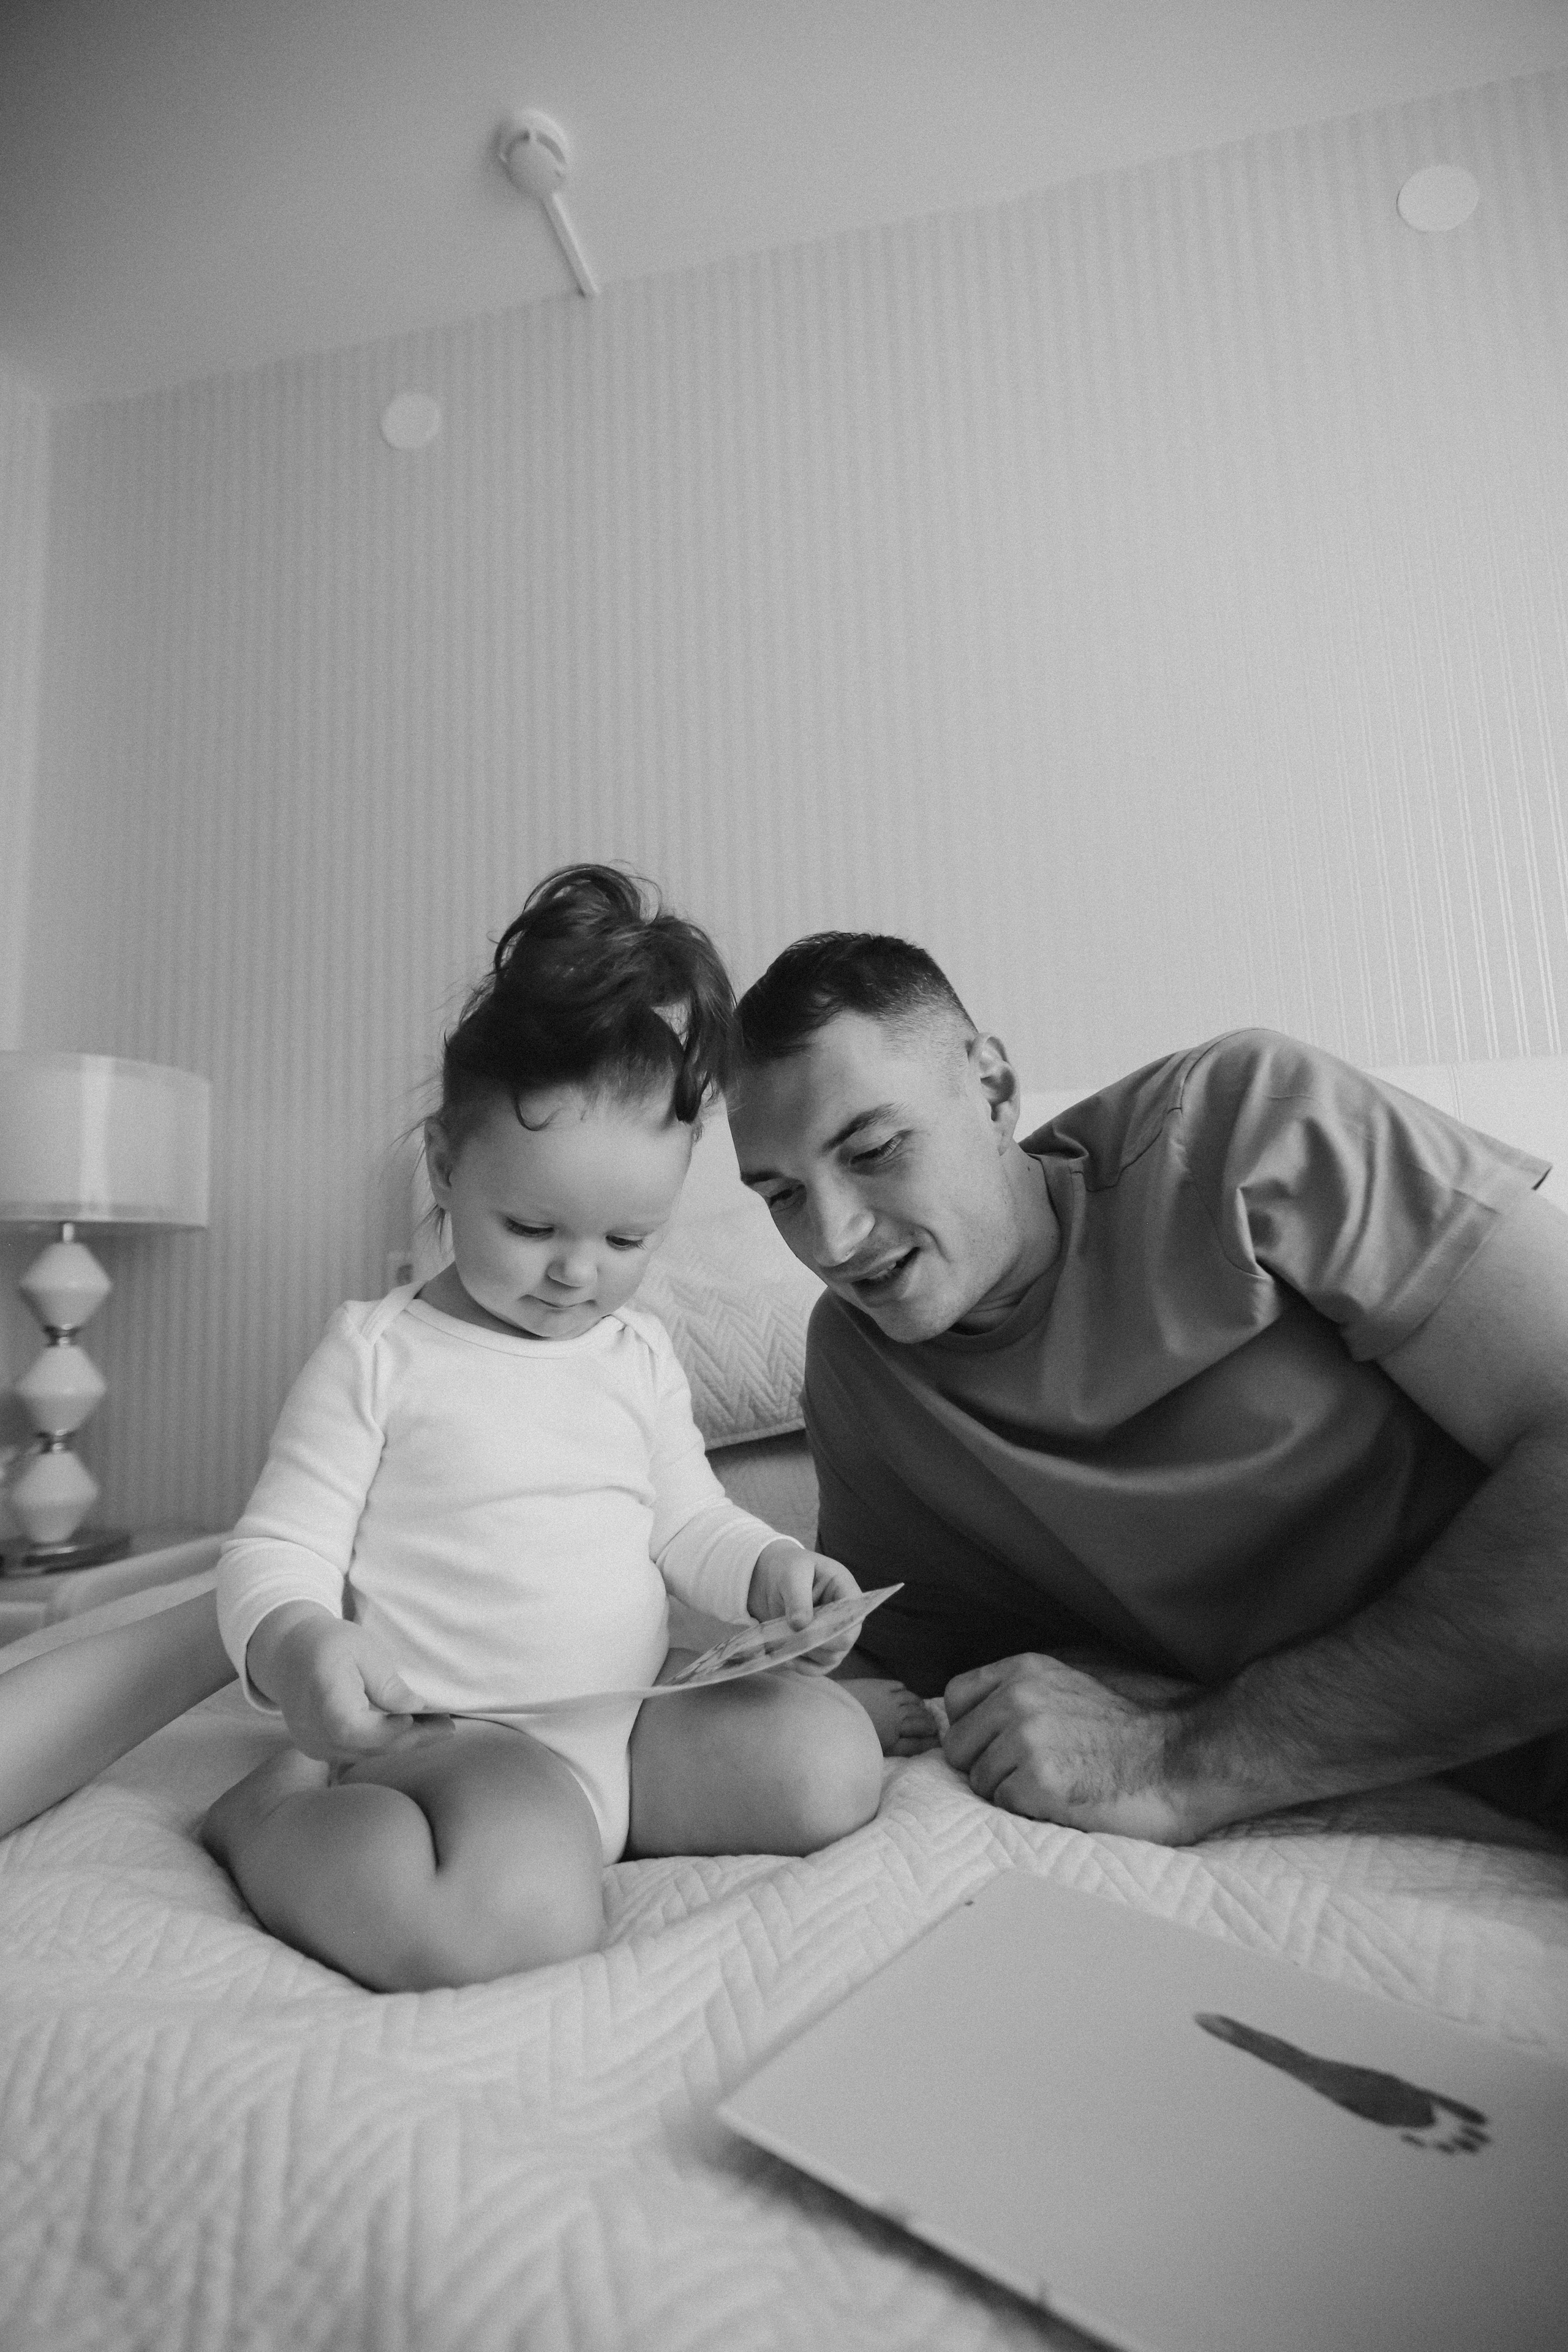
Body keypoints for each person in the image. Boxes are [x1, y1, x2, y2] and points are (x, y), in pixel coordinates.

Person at [725, 931, 1568, 1846]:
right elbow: (897, 1657)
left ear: (995, 1089)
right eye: (781, 1195)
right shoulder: (861, 1372)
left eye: (876, 1148)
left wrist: (1186, 1756)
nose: (834, 1241)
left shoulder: (1244, 1125)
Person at [200, 869, 881, 1990]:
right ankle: (266, 1824)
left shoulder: (637, 1356)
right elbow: (276, 1550)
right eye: (531, 1225)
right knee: (513, 1925)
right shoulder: (381, 1354)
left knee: (830, 1764)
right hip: (465, 1739)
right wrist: (298, 1647)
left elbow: (687, 1522)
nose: (577, 1273)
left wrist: (771, 1572)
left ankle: (574, 1834)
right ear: (444, 1164)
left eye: (628, 1240)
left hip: (632, 1722)